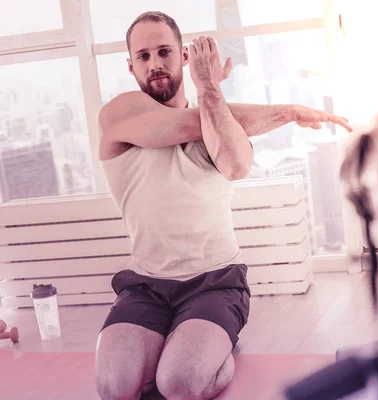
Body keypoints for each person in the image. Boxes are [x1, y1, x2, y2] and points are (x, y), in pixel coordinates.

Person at [94, 10, 352, 400]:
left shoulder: (216, 118)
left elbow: (235, 165)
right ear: (131, 67)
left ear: (183, 56)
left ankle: (210, 348)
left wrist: (209, 89)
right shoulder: (118, 114)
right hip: (147, 285)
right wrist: (286, 111)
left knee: (177, 385)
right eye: (143, 56)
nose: (155, 64)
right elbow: (187, 125)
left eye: (164, 51)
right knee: (115, 389)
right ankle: (178, 341)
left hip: (214, 283)